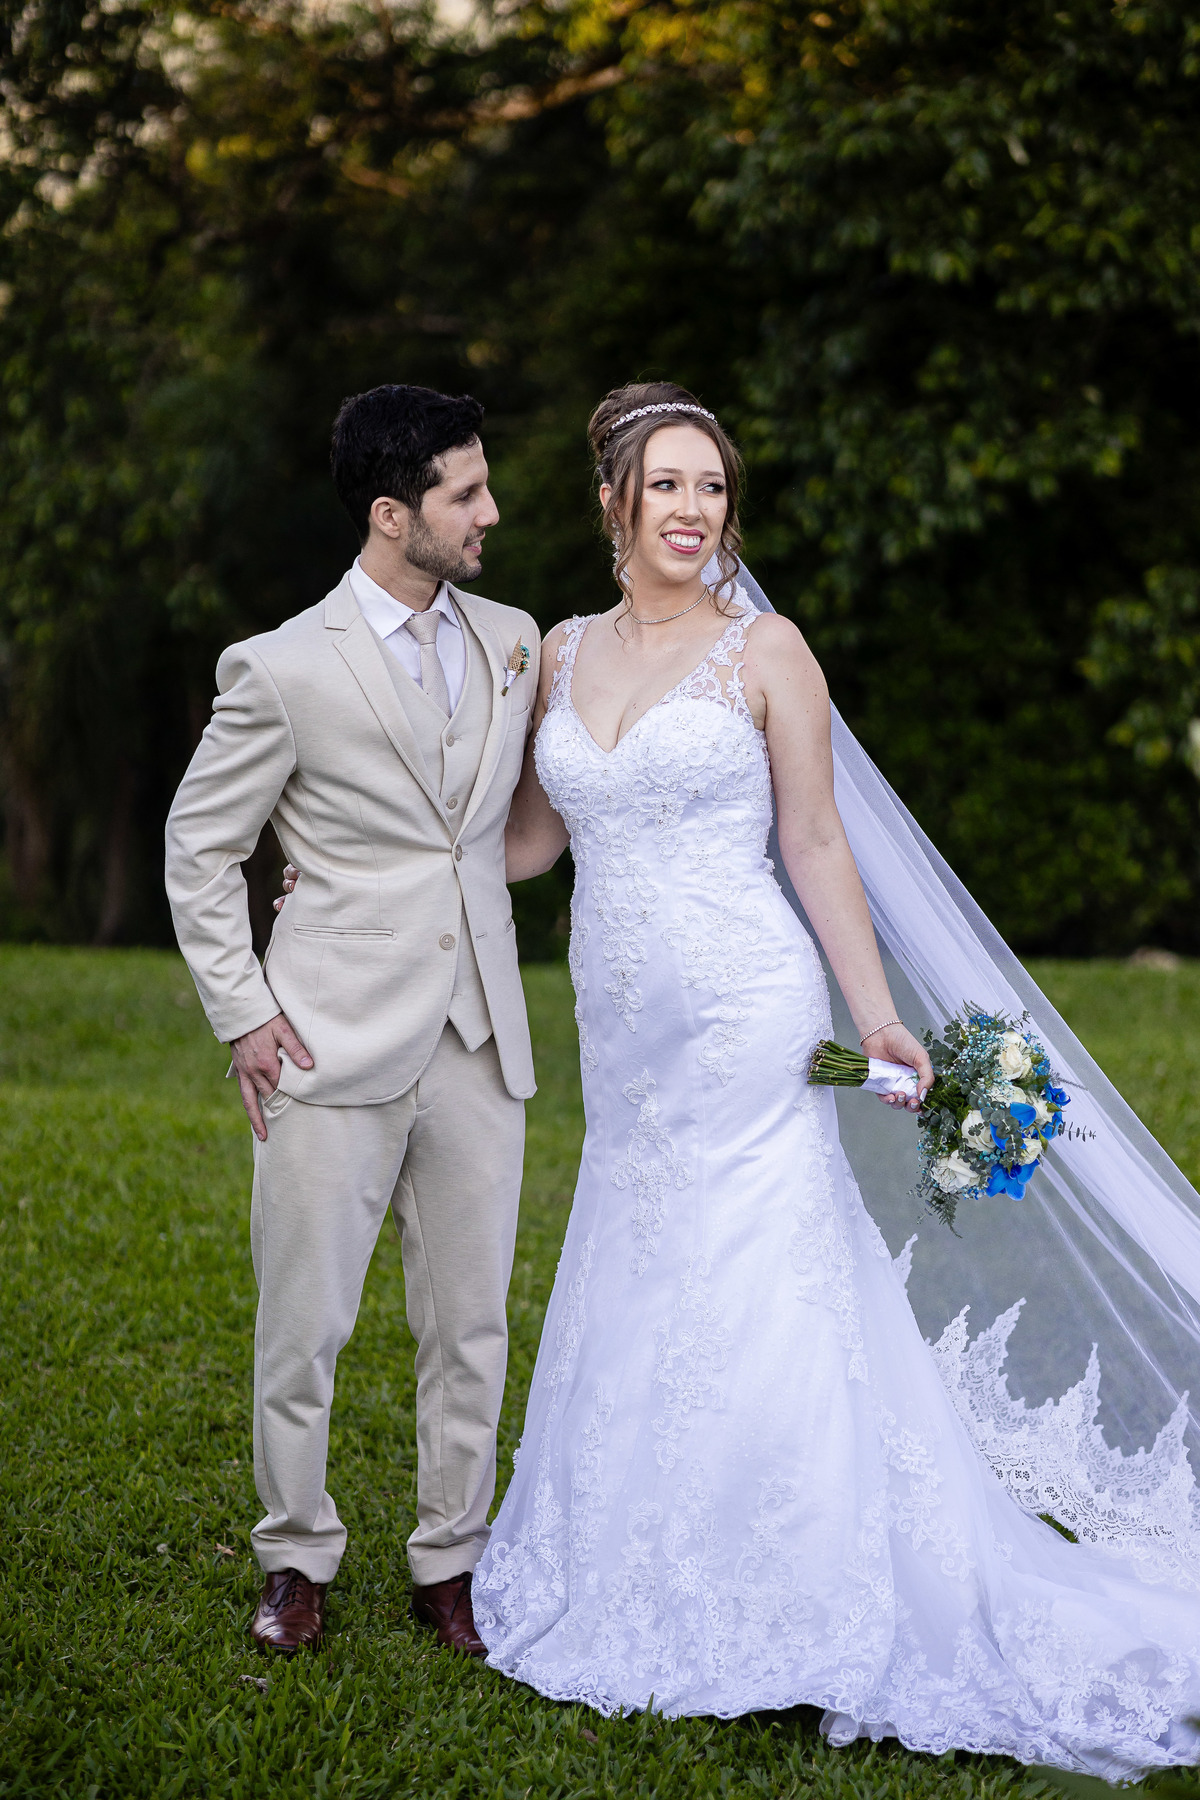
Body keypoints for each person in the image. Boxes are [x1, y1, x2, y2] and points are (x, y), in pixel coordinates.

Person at [468, 380, 1200, 1773]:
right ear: (615, 501)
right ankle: (641, 1556)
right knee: (641, 1254)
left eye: (713, 488)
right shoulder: (557, 655)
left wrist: (876, 1018)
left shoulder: (768, 650)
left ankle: (798, 1583)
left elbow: (813, 843)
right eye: (669, 485)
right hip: (622, 1036)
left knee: (759, 1266)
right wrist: (373, 863)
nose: (694, 510)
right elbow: (526, 844)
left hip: (749, 1008)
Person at [165, 384, 540, 1658]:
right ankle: (294, 1557)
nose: (491, 512)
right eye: (465, 494)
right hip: (326, 1037)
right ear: (392, 514)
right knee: (306, 1324)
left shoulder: (515, 641)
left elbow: (499, 832)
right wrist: (245, 1013)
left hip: (480, 1033)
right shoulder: (280, 667)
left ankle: (452, 1563)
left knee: (472, 1325)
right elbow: (200, 849)